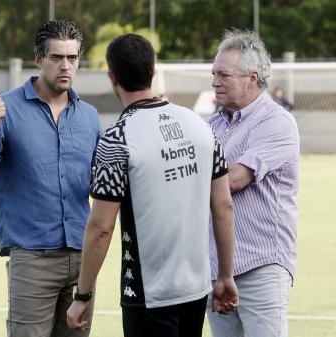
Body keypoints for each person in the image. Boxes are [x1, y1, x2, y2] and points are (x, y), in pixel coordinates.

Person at [66, 33, 238, 337]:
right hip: (196, 289)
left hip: (148, 295)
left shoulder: (116, 140)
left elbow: (101, 227)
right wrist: (225, 274)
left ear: (112, 78)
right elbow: (224, 205)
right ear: (153, 70)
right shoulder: (199, 125)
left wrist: (82, 295)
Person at [0, 19, 101, 337]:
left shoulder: (89, 116)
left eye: (72, 58)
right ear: (38, 60)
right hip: (32, 258)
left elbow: (98, 182)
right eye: (57, 57)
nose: (66, 66)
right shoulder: (5, 109)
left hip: (83, 258)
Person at [207, 28, 300, 337]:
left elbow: (234, 179)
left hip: (261, 267)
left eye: (224, 75)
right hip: (217, 270)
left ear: (253, 77)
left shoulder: (276, 122)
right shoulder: (211, 125)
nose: (215, 81)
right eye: (214, 74)